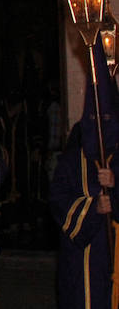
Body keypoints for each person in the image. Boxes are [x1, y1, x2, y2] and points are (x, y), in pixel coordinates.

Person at [50, 38, 119, 309]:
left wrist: (115, 186)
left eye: (108, 120)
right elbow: (58, 201)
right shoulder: (72, 159)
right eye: (93, 119)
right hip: (83, 262)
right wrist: (94, 209)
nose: (100, 126)